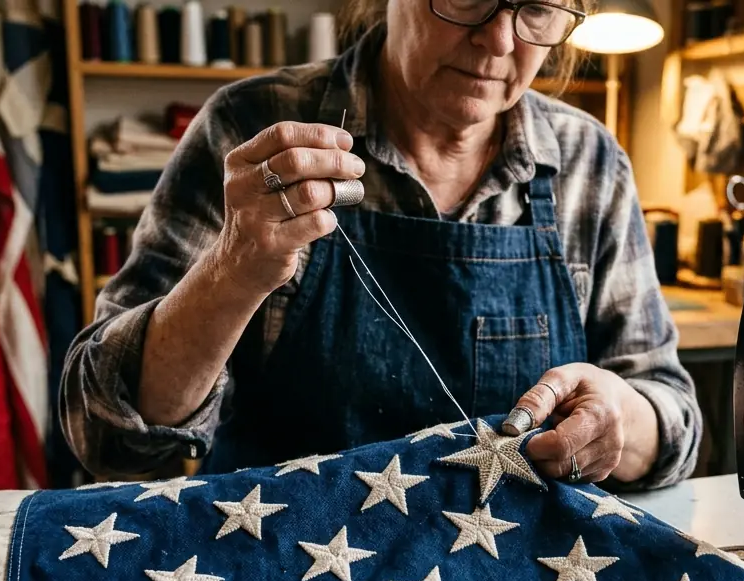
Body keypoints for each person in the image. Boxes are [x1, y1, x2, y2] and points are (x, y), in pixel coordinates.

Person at [60, 0, 702, 490]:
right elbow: (104, 431)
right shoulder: (253, 135)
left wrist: (621, 417)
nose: (499, 39)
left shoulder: (589, 162)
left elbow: (673, 417)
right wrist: (233, 269)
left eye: (535, 8)